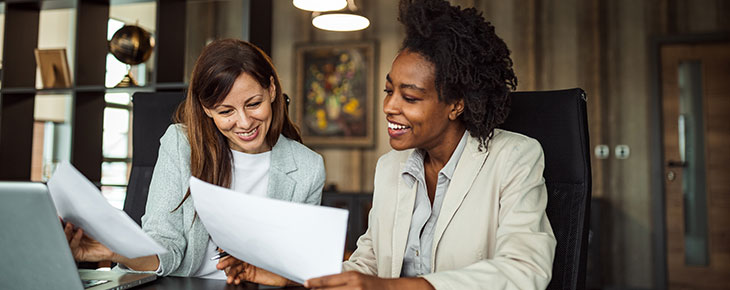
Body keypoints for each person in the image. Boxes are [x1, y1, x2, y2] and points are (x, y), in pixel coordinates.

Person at [220, 0, 556, 289]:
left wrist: (395, 287)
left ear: (457, 104)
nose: (389, 107)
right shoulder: (391, 168)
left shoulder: (514, 158)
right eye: (388, 90)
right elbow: (368, 266)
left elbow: (525, 271)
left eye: (409, 97)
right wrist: (289, 276)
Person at [62, 38, 326, 279]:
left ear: (271, 90)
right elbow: (165, 244)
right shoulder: (181, 144)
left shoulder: (307, 168)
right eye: (226, 111)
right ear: (206, 109)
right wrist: (114, 250)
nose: (244, 122)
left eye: (253, 104)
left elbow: (299, 266)